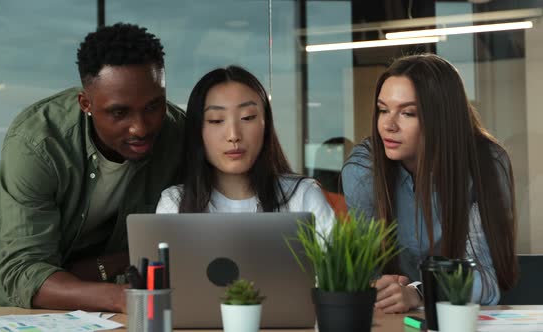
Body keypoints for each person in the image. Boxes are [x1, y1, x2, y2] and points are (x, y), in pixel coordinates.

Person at [0, 23, 185, 313]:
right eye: (119, 112)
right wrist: (122, 297)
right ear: (86, 103)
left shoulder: (178, 135)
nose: (140, 127)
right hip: (14, 308)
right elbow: (25, 272)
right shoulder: (39, 143)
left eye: (153, 106)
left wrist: (116, 270)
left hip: (109, 310)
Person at [341, 54, 518, 313]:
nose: (388, 125)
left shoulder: (486, 165)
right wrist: (378, 286)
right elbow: (363, 271)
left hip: (458, 315)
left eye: (408, 113)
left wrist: (420, 292)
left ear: (441, 117)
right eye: (383, 109)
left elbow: (488, 282)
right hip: (391, 318)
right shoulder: (363, 170)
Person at [156, 65, 334, 235]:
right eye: (216, 120)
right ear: (197, 131)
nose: (234, 135)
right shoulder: (174, 204)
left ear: (266, 124)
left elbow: (337, 266)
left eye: (247, 117)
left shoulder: (302, 197)